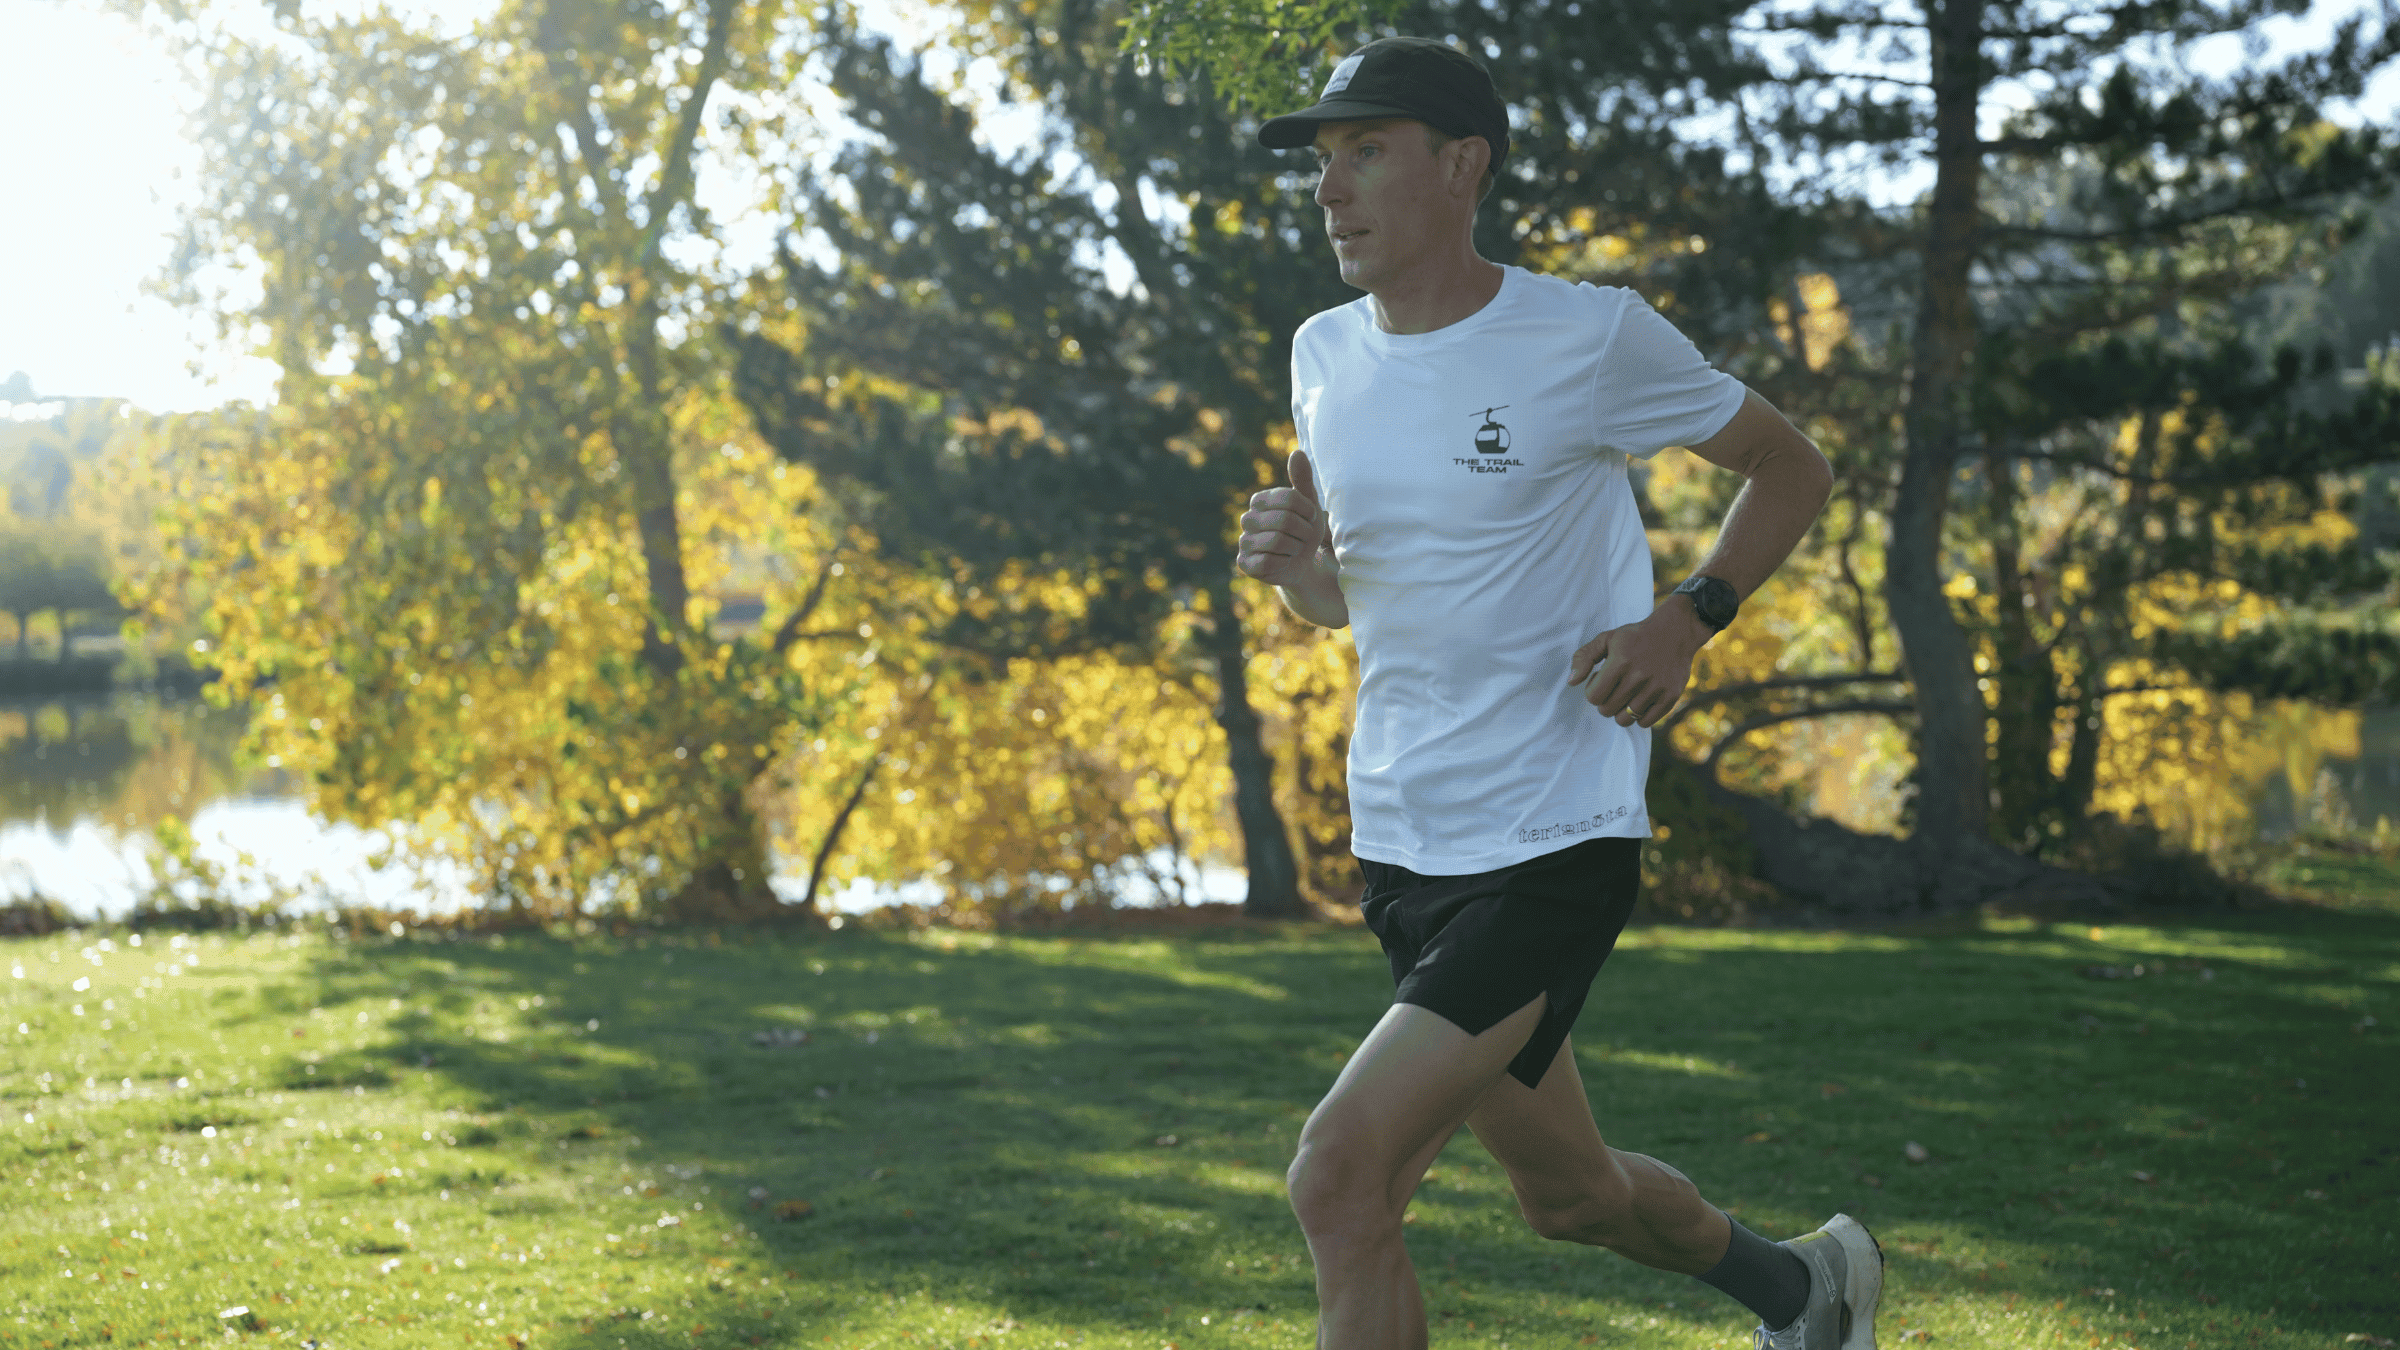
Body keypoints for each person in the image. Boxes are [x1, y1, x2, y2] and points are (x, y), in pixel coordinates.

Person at [1230, 35, 1881, 1350]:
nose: (1330, 188)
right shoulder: (1322, 355)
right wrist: (1305, 578)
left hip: (1551, 840)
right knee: (1568, 1196)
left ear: (1462, 164)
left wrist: (1690, 617)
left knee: (1340, 1171)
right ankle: (1807, 1289)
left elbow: (1790, 464)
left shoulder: (1584, 337)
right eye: (1321, 159)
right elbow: (1370, 602)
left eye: (1366, 150)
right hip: (1404, 844)